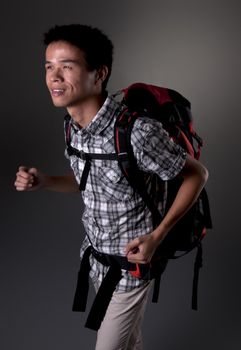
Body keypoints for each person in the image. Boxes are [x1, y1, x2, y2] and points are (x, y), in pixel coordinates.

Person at [14, 24, 208, 350]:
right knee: (128, 342)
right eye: (49, 66)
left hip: (132, 266)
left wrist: (156, 237)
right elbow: (89, 181)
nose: (54, 77)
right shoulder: (72, 128)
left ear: (99, 73)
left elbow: (197, 175)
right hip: (95, 258)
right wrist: (44, 181)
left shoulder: (137, 132)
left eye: (67, 66)